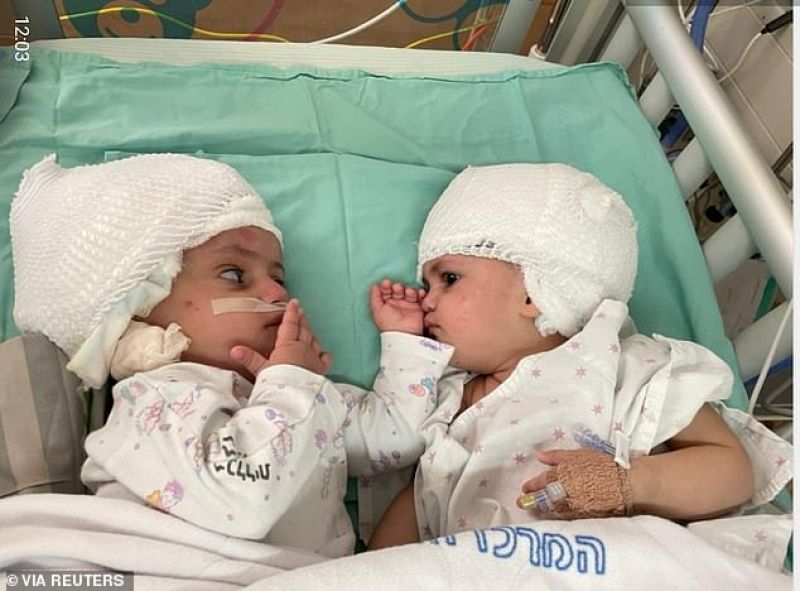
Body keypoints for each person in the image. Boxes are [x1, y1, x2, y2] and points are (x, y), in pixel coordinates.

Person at [9, 153, 446, 558]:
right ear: (140, 308)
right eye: (235, 275)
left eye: (280, 279)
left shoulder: (305, 394)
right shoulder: (155, 400)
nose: (277, 293)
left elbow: (397, 437)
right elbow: (243, 499)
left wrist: (404, 339)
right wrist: (292, 383)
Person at [362, 162, 788, 549]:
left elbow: (733, 471)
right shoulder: (449, 397)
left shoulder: (624, 366)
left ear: (534, 289)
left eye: (448, 279)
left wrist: (631, 483)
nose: (427, 300)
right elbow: (420, 500)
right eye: (428, 284)